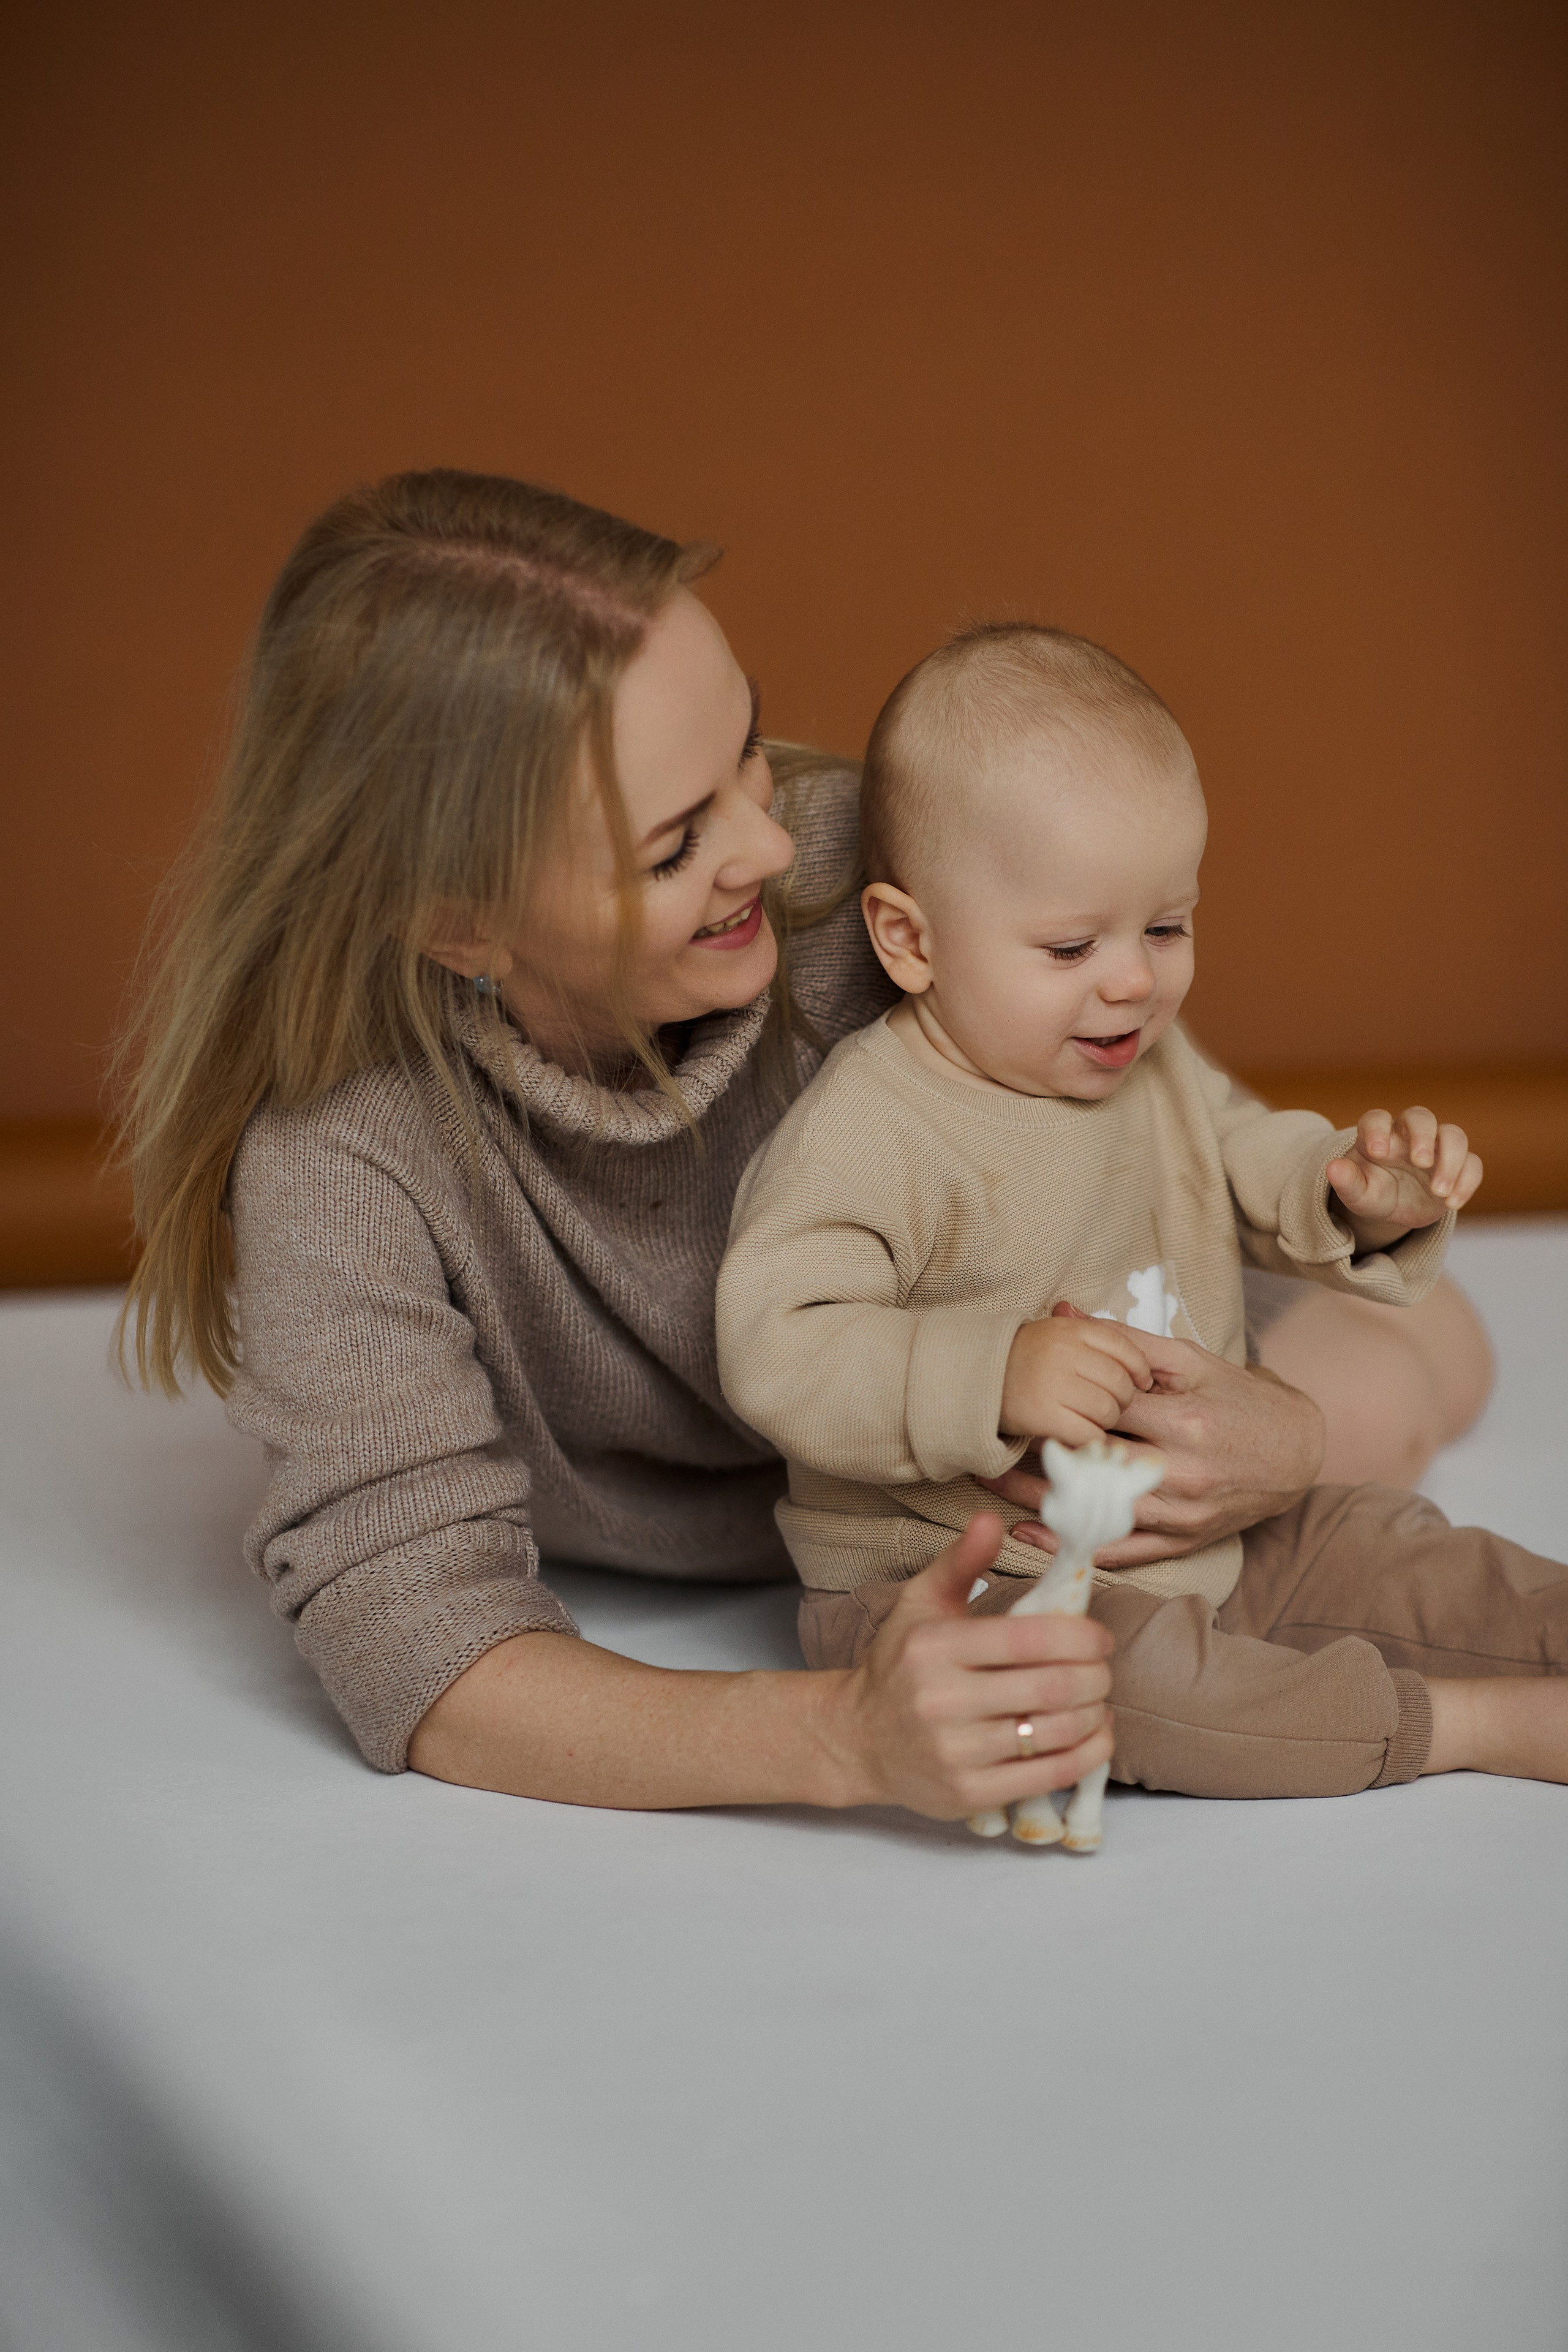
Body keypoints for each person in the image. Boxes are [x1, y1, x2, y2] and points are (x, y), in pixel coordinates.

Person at [119, 471, 1494, 1820]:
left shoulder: (858, 888)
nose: (768, 848)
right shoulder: (345, 1162)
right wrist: (840, 1738)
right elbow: (419, 1648)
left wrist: (1281, 1431)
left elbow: (1179, 1131)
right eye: (672, 847)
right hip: (869, 1539)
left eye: (747, 751)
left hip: (1070, 1400)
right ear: (462, 925)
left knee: (1412, 1371)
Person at [715, 622, 1568, 1798]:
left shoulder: (1138, 1058)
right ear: (910, 942)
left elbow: (1247, 1154)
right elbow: (777, 1341)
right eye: (1071, 944)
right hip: (969, 1581)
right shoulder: (875, 1127)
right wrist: (995, 1371)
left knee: (1412, 1558)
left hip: (1211, 1529)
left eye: (1167, 927)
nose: (1134, 978)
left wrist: (1355, 1194)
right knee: (1142, 1691)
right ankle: (1475, 1723)